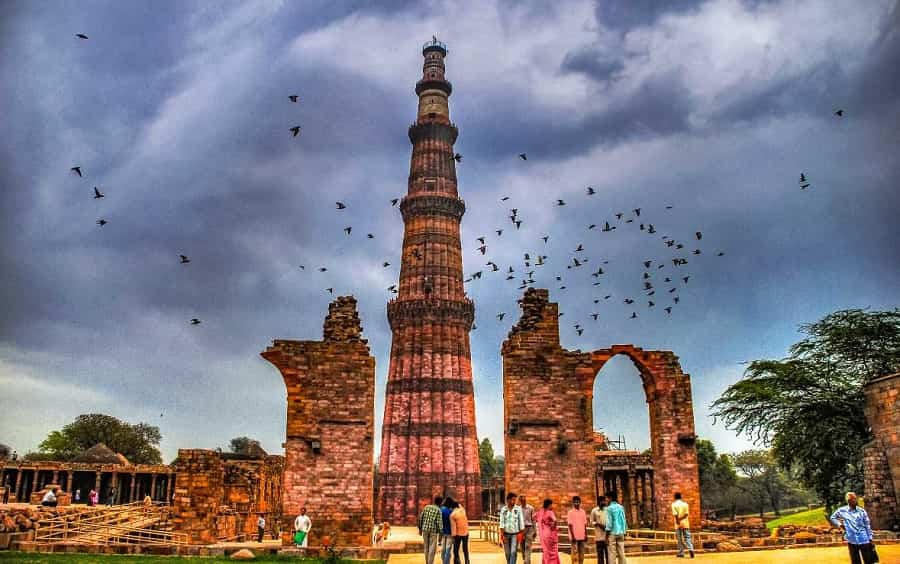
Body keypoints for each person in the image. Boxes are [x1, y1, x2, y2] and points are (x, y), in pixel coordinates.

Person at [830, 492, 876, 564]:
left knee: (868, 561)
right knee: (855, 561)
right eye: (853, 499)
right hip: (851, 540)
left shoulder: (861, 511)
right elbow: (833, 517)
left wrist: (870, 538)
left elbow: (867, 525)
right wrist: (840, 525)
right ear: (848, 501)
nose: (855, 500)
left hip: (864, 539)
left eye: (855, 498)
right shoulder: (842, 510)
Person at [499, 492, 524, 564]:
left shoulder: (518, 509)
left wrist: (521, 533)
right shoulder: (503, 509)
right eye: (513, 500)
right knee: (507, 553)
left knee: (513, 552)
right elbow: (501, 522)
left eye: (515, 500)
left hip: (515, 534)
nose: (514, 501)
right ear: (508, 500)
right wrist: (502, 534)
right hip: (506, 534)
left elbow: (521, 521)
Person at [418, 496, 444, 564]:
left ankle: (427, 562)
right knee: (432, 548)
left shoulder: (427, 507)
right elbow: (439, 524)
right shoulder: (438, 510)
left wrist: (420, 529)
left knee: (426, 547)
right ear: (441, 503)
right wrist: (440, 536)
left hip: (425, 529)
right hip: (433, 531)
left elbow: (421, 518)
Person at [605, 492, 628, 564]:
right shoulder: (621, 507)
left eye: (607, 498)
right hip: (621, 532)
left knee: (612, 553)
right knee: (621, 552)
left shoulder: (609, 508)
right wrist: (625, 531)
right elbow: (624, 520)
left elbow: (609, 523)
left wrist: (606, 536)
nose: (606, 500)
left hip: (612, 533)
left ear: (610, 498)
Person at [671, 492, 694, 558]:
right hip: (685, 522)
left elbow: (675, 514)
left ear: (675, 497)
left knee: (679, 538)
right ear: (681, 497)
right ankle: (691, 549)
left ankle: (681, 552)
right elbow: (686, 514)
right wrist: (681, 519)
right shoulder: (685, 504)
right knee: (687, 537)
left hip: (677, 523)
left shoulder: (673, 504)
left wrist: (678, 520)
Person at [537, 499, 560, 564]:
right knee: (552, 550)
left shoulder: (540, 512)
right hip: (549, 533)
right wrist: (553, 526)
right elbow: (555, 520)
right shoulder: (550, 512)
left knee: (546, 550)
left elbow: (533, 517)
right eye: (551, 505)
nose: (552, 506)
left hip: (543, 533)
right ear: (549, 505)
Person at [566, 496, 587, 564]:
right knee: (574, 552)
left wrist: (586, 534)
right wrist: (572, 536)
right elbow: (570, 524)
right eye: (575, 502)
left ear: (580, 502)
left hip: (582, 535)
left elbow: (585, 524)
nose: (576, 503)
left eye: (577, 502)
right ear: (573, 503)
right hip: (574, 536)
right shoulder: (570, 512)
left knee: (582, 552)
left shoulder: (583, 512)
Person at [590, 496, 609, 564]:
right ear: (599, 502)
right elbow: (591, 521)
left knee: (608, 555)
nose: (604, 502)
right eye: (603, 501)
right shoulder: (594, 510)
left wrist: (607, 526)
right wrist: (598, 524)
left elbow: (610, 521)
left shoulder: (607, 510)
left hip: (607, 536)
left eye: (605, 501)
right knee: (600, 555)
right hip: (598, 536)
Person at [519, 495, 536, 564]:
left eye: (524, 500)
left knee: (528, 546)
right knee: (522, 546)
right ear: (520, 501)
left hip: (529, 528)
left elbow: (533, 520)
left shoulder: (531, 508)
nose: (523, 501)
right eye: (522, 500)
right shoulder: (518, 509)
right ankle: (526, 558)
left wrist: (535, 530)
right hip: (521, 530)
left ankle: (526, 561)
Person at [441, 497, 455, 564]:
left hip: (443, 532)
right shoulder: (450, 511)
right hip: (449, 532)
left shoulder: (441, 510)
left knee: (443, 548)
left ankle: (443, 561)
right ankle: (446, 562)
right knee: (448, 548)